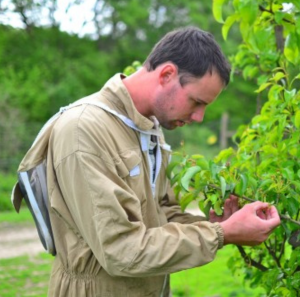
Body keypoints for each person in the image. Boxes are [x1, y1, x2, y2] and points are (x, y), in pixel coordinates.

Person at [45, 26, 280, 296]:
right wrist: (222, 233)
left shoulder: (149, 128)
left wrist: (218, 225)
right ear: (167, 74)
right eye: (196, 102)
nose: (199, 117)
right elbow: (121, 250)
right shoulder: (84, 130)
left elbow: (161, 217)